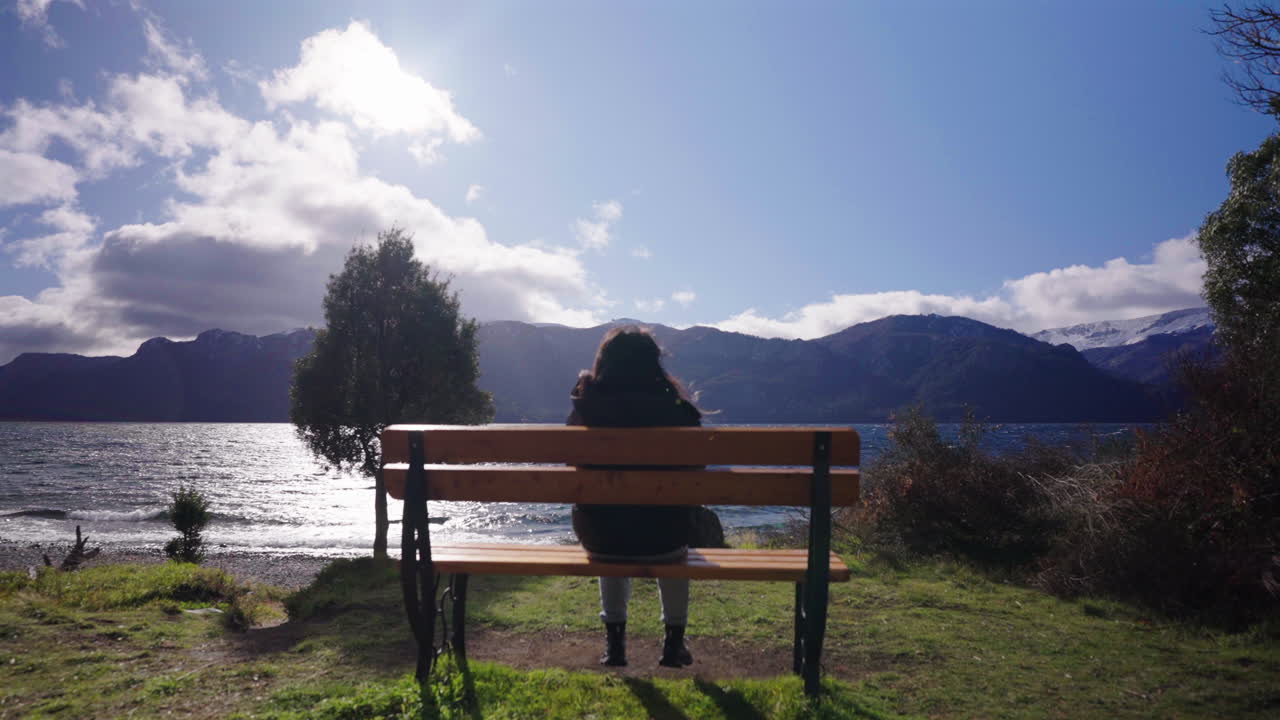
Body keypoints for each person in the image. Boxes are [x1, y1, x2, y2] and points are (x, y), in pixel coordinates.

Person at [567, 326, 700, 668]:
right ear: (653, 363)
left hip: (601, 537)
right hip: (665, 537)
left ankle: (615, 646)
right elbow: (698, 463)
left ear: (605, 362)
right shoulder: (676, 406)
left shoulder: (587, 403)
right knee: (672, 539)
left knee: (609, 520)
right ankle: (673, 644)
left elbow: (571, 459)